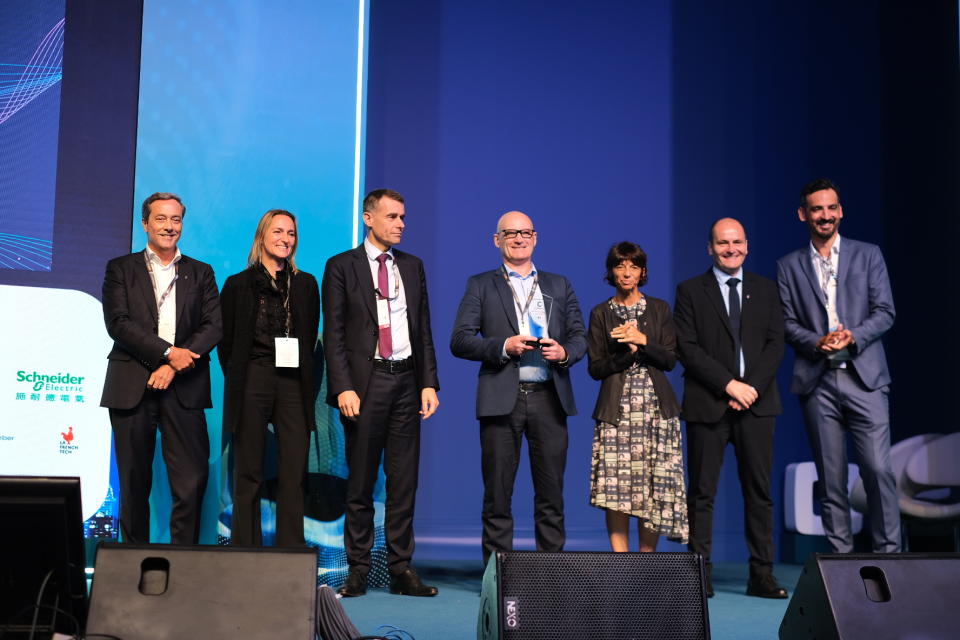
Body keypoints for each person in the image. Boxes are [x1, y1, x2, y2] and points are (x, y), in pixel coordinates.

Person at [450, 211, 587, 566]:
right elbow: (460, 341)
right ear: (497, 240)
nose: (518, 238)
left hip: (549, 398)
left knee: (551, 495)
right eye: (510, 233)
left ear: (536, 238)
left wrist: (566, 352)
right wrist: (502, 346)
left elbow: (580, 336)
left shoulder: (559, 284)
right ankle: (497, 576)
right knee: (497, 496)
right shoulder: (480, 284)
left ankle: (551, 574)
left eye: (525, 232)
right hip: (501, 399)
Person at [322, 188, 440, 597]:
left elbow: (422, 327)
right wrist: (343, 388)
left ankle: (401, 569)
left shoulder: (413, 266)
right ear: (368, 218)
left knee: (403, 481)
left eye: (403, 217)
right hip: (365, 384)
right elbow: (334, 335)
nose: (401, 224)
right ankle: (358, 567)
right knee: (361, 480)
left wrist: (428, 382)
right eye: (392, 217)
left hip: (407, 381)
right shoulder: (341, 266)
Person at [776, 178, 899, 554]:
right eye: (817, 209)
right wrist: (817, 341)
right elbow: (785, 323)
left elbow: (885, 312)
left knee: (878, 470)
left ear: (840, 211)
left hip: (866, 379)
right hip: (819, 381)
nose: (825, 216)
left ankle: (891, 556)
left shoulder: (868, 254)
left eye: (831, 208)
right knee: (830, 478)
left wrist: (853, 336)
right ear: (803, 215)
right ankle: (841, 564)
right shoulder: (789, 265)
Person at [673, 217, 787, 598]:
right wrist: (729, 385)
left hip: (757, 405)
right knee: (701, 494)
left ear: (747, 245)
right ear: (710, 248)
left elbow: (776, 344)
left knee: (759, 493)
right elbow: (687, 348)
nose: (731, 248)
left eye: (737, 241)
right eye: (723, 243)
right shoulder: (690, 291)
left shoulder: (767, 290)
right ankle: (698, 576)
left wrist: (750, 387)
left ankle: (762, 575)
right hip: (709, 404)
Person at [100, 192, 222, 544]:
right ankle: (133, 565)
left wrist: (174, 366)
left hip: (185, 387)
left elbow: (214, 326)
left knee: (191, 481)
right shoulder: (120, 268)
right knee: (134, 483)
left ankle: (182, 567)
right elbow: (119, 323)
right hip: (131, 386)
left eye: (176, 219)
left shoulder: (201, 272)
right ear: (145, 223)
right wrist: (168, 354)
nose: (169, 227)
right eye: (161, 219)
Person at [218, 209, 319, 547]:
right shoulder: (238, 285)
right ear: (262, 236)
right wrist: (241, 378)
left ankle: (291, 553)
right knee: (248, 470)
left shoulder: (305, 284)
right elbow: (226, 344)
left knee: (293, 471)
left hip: (292, 384)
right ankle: (246, 551)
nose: (285, 239)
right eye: (278, 232)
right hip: (253, 378)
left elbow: (309, 342)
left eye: (291, 233)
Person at [587, 241, 687, 552]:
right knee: (616, 490)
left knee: (651, 487)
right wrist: (626, 353)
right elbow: (596, 368)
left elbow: (670, 359)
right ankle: (621, 563)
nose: (626, 272)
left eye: (633, 266)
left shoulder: (659, 309)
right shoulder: (601, 313)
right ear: (611, 271)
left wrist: (642, 340)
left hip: (656, 412)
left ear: (642, 271)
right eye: (620, 266)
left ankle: (646, 563)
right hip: (617, 412)